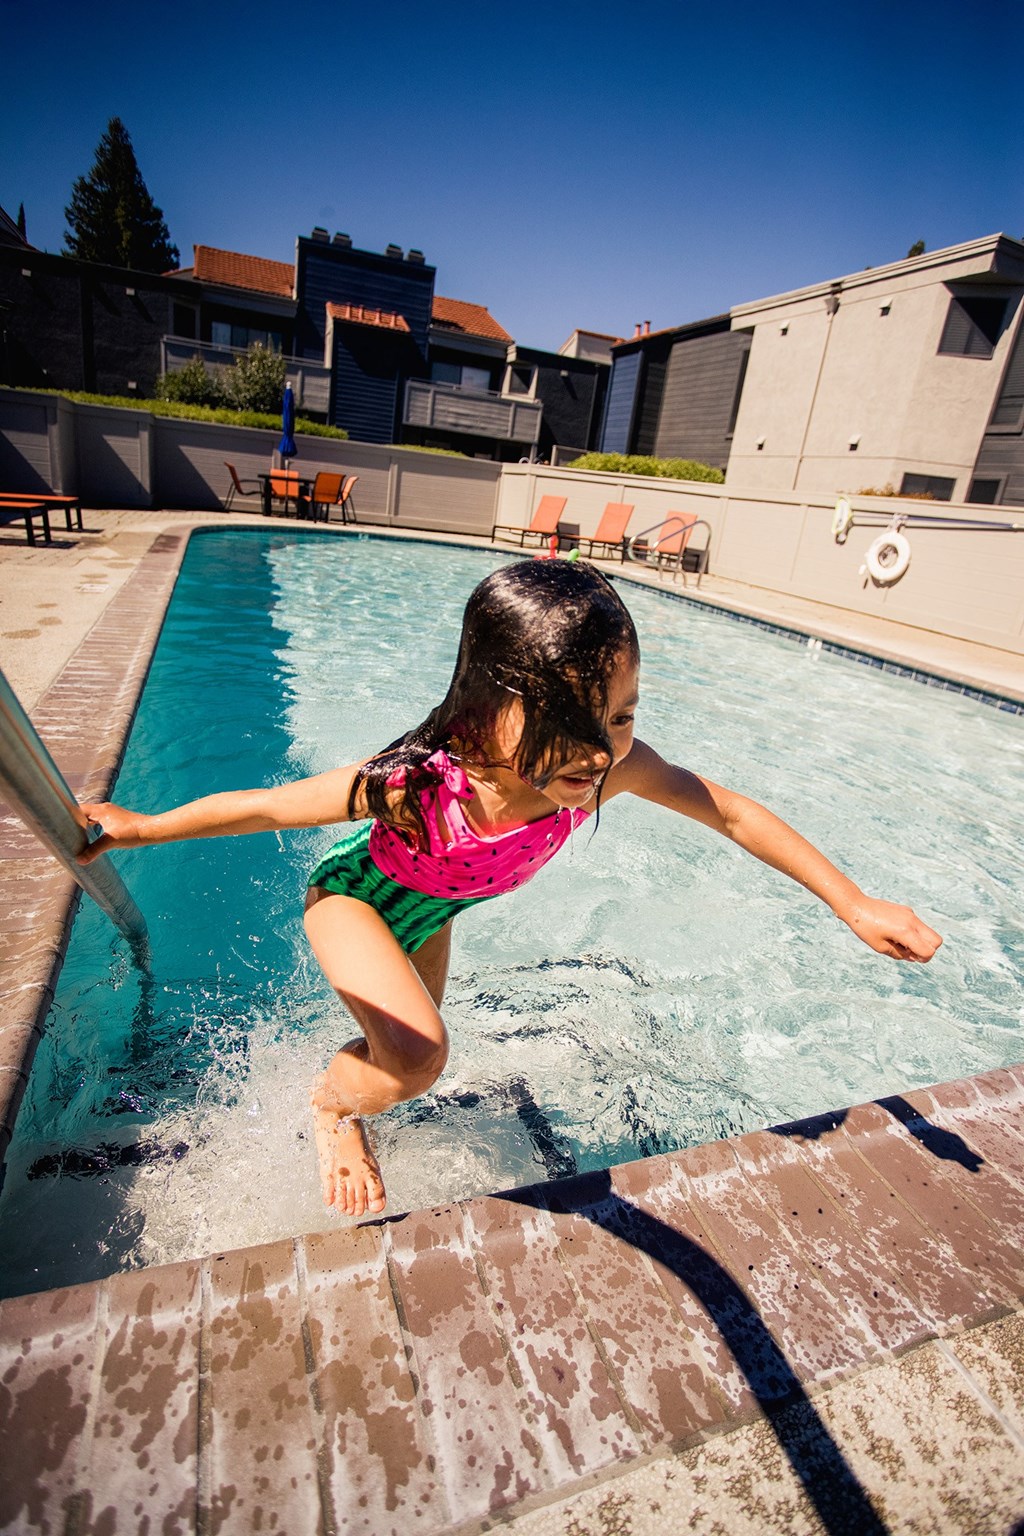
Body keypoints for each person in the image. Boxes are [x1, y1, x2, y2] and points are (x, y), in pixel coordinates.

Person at [77, 560, 942, 1220]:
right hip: (358, 896)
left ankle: (361, 1087)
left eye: (622, 714)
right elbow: (267, 807)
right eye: (572, 721)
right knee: (417, 1059)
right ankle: (328, 1106)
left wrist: (852, 901)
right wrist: (142, 827)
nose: (600, 749)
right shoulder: (418, 783)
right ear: (488, 710)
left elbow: (732, 814)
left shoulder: (606, 772)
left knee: (406, 1060)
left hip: (434, 913)